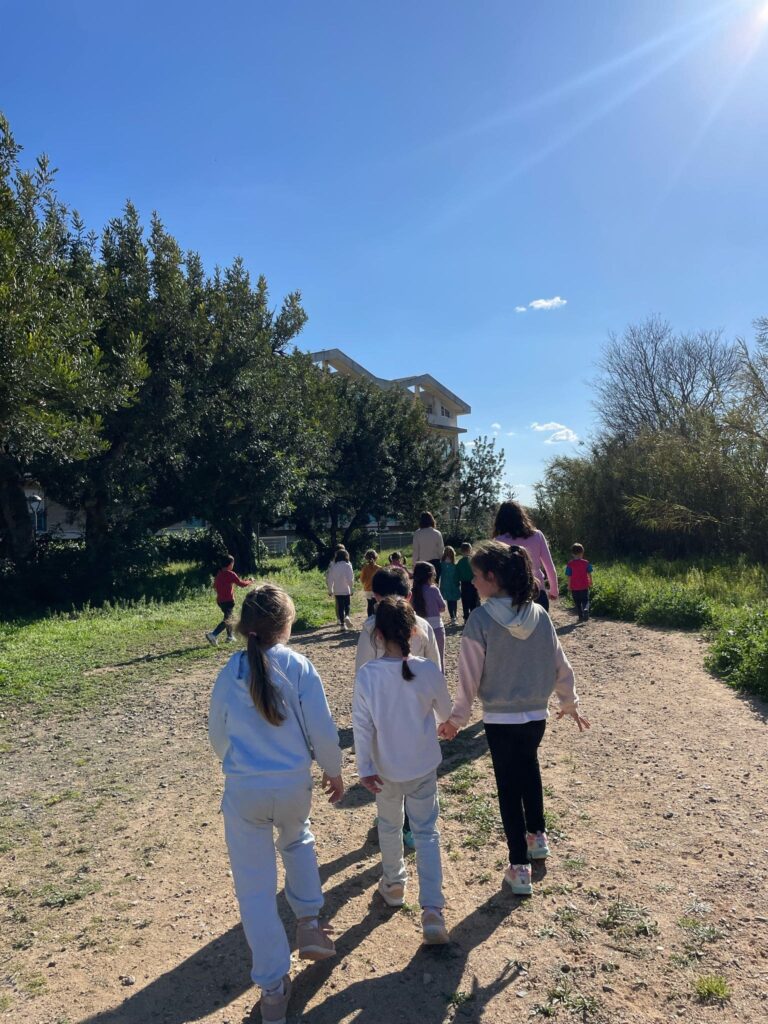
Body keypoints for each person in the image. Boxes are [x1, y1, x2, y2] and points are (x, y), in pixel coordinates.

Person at [208, 584, 344, 1024]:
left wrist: (234, 762)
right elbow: (322, 728)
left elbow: (217, 733)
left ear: (245, 625)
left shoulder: (230, 672)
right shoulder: (299, 666)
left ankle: (272, 988)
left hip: (245, 789)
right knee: (298, 838)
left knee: (254, 889)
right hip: (292, 785)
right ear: (287, 625)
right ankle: (309, 923)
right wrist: (333, 769)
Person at [438, 542, 590, 897]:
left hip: (500, 718)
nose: (472, 582)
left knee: (508, 788)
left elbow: (468, 678)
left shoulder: (480, 620)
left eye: (477, 576)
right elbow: (560, 664)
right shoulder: (540, 615)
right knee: (530, 769)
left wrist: (456, 719)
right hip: (536, 715)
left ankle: (519, 867)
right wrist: (568, 702)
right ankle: (537, 838)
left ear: (492, 577)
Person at [352, 596, 453, 944]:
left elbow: (361, 726)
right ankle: (433, 910)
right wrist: (444, 725)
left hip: (384, 768)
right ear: (414, 631)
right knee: (426, 832)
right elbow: (445, 712)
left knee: (389, 825)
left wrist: (364, 767)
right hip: (422, 765)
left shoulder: (367, 675)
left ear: (377, 635)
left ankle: (394, 884)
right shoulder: (427, 670)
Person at [355, 565, 442, 852]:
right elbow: (436, 671)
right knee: (416, 774)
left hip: (384, 720)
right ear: (409, 595)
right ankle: (410, 828)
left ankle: (397, 827)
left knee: (390, 775)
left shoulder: (371, 629)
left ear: (376, 597)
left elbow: (361, 673)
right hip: (417, 717)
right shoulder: (423, 625)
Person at [493, 500, 559, 612]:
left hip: (511, 595)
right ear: (521, 516)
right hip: (537, 590)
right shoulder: (537, 535)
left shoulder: (498, 541)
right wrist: (554, 590)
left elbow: (496, 573)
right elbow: (549, 566)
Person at [206, 555, 254, 646]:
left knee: (228, 617)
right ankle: (213, 634)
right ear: (230, 564)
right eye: (233, 563)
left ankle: (230, 636)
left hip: (220, 601)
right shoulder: (230, 574)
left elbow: (215, 586)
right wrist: (250, 581)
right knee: (228, 619)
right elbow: (242, 584)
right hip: (228, 601)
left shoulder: (219, 574)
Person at [411, 560, 447, 672]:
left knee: (420, 658)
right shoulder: (434, 589)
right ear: (430, 575)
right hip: (436, 627)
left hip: (418, 628)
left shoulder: (413, 592)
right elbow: (442, 607)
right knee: (439, 658)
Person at [326, 548, 354, 631]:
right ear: (346, 556)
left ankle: (342, 625)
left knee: (340, 607)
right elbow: (350, 579)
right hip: (346, 589)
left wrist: (330, 590)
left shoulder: (334, 567)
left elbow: (330, 579)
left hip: (337, 590)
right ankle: (347, 616)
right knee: (347, 605)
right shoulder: (348, 565)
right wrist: (351, 589)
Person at [412, 512, 444, 582]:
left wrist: (414, 565)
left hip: (422, 565)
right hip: (435, 563)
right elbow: (441, 551)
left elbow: (415, 551)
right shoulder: (437, 533)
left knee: (422, 585)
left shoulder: (417, 533)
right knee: (435, 585)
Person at [565, 543, 593, 623]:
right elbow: (589, 573)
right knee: (585, 600)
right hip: (584, 586)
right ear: (582, 553)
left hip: (574, 587)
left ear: (572, 554)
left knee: (577, 602)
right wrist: (591, 581)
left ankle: (580, 617)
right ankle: (586, 609)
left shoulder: (570, 564)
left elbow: (569, 576)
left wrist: (569, 586)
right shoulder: (586, 563)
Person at [456, 542, 478, 623]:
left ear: (461, 551)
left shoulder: (460, 562)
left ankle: (466, 618)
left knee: (465, 601)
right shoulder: (473, 561)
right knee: (474, 601)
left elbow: (457, 574)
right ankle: (473, 617)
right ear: (470, 550)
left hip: (464, 584)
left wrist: (457, 582)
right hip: (473, 583)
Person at [439, 546, 460, 626]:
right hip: (453, 585)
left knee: (449, 601)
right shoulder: (454, 564)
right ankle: (454, 616)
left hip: (446, 585)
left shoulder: (442, 564)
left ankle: (452, 617)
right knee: (454, 601)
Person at [360, 549, 383, 617]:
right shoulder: (379, 568)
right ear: (376, 557)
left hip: (367, 589)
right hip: (376, 589)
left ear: (366, 558)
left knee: (369, 605)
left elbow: (362, 580)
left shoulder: (364, 568)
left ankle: (369, 619)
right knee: (376, 605)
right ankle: (376, 619)